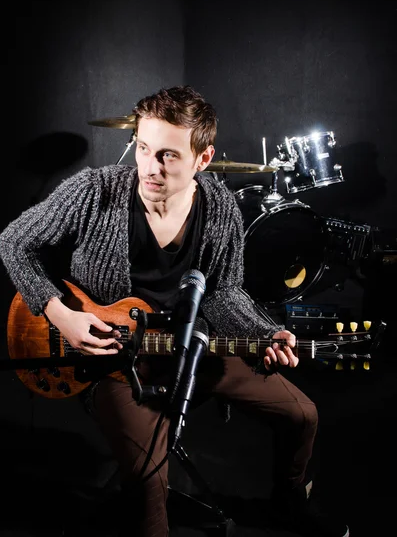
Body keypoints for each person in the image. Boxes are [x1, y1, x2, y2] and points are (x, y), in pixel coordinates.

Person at [0, 85, 349, 537]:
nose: (149, 167)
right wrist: (62, 314)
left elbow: (224, 292)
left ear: (203, 159)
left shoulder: (220, 207)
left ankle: (287, 505)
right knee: (149, 491)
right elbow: (13, 242)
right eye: (143, 148)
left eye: (168, 155)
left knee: (303, 414)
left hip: (189, 348)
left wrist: (267, 333)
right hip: (112, 361)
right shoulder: (93, 191)